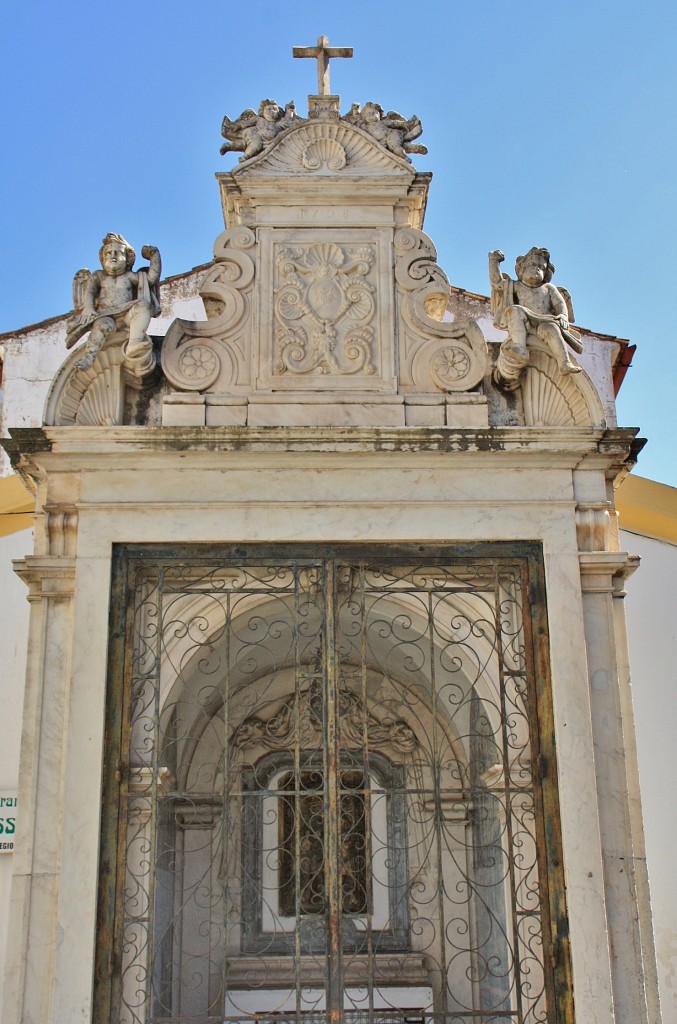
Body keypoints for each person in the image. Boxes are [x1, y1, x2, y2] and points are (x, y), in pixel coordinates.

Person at [489, 247, 582, 388]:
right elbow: (497, 283)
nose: (536, 269)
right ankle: (520, 348)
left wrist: (563, 315)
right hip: (525, 323)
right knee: (514, 311)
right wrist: (493, 261)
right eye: (532, 265)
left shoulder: (548, 288)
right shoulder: (516, 286)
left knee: (551, 330)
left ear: (545, 273)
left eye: (540, 267)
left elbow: (560, 303)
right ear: (521, 268)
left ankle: (564, 362)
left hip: (544, 322)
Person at [66, 234, 161, 370]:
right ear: (103, 258)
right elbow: (90, 292)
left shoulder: (129, 276)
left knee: (144, 306)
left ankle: (134, 343)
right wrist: (88, 308)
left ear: (127, 258)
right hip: (106, 316)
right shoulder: (99, 276)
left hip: (127, 314)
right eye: (108, 253)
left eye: (118, 252)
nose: (113, 256)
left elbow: (151, 279)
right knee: (100, 326)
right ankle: (89, 357)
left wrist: (154, 256)